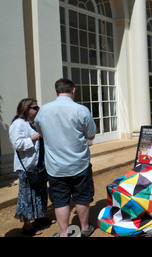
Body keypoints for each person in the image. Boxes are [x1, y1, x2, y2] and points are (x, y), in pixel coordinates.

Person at [34, 78, 97, 237]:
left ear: (56, 92)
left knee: (60, 200)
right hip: (79, 164)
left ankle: (64, 233)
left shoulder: (44, 110)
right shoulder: (81, 110)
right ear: (73, 90)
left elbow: (40, 132)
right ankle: (84, 228)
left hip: (55, 166)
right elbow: (91, 136)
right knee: (82, 197)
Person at [9, 98, 55, 236]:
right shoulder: (18, 124)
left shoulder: (35, 123)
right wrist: (35, 137)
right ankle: (27, 225)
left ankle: (40, 217)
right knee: (27, 195)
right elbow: (17, 144)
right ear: (26, 109)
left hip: (39, 164)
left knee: (41, 192)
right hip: (27, 166)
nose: (37, 109)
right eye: (35, 107)